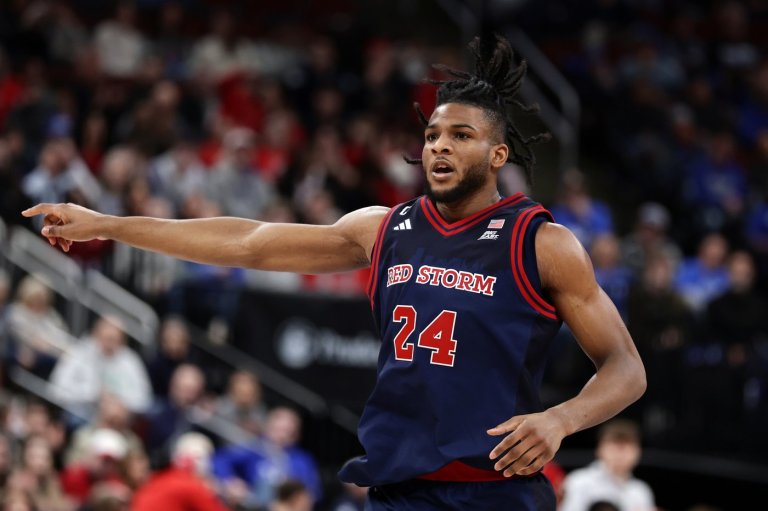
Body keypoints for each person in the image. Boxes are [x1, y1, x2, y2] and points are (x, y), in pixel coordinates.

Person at [23, 34, 646, 510]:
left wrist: (561, 419)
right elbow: (248, 241)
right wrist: (108, 222)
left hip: (495, 490)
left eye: (461, 135)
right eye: (432, 134)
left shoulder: (542, 243)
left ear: (498, 154)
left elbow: (626, 368)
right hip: (398, 486)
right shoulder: (385, 227)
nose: (439, 147)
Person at [559, 419, 654, 511]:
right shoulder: (579, 482)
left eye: (626, 448)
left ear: (638, 452)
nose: (620, 455)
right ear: (600, 449)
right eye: (614, 447)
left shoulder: (640, 491)